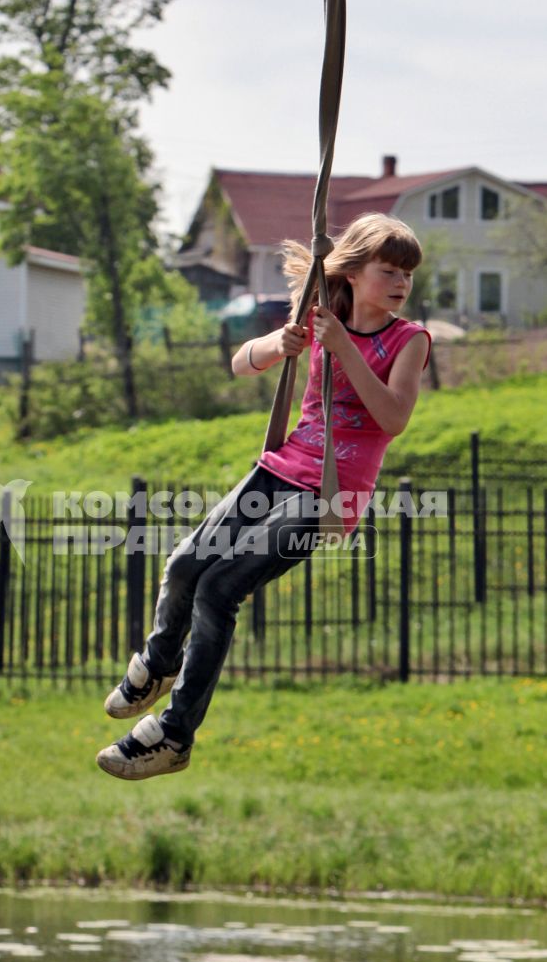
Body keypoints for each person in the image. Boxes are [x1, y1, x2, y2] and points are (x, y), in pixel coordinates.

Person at [95, 212, 432, 780]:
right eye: (389, 269)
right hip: (280, 469)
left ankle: (174, 736)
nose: (400, 282)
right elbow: (239, 363)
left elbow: (393, 418)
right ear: (352, 272)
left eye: (407, 273)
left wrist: (344, 347)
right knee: (184, 567)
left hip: (332, 493)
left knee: (220, 588)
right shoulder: (324, 315)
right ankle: (157, 664)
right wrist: (282, 342)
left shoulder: (410, 340)